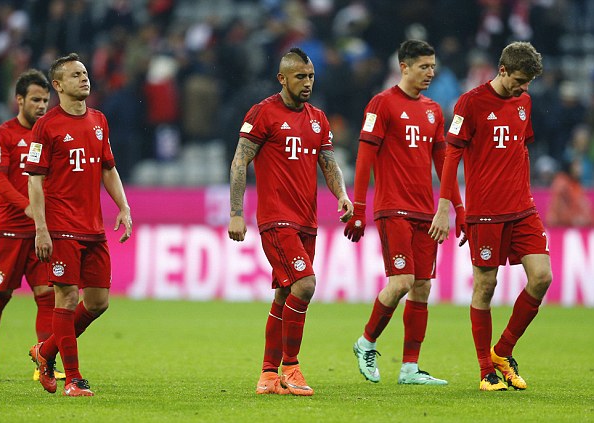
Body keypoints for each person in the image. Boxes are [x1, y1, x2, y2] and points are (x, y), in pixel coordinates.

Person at [228, 47, 353, 396]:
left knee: (285, 292)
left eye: (311, 76)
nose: (308, 82)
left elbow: (328, 163)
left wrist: (341, 194)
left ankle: (268, 376)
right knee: (306, 285)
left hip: (306, 221)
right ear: (282, 78)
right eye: (300, 76)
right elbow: (240, 163)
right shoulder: (263, 112)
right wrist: (236, 213)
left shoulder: (318, 118)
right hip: (276, 219)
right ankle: (291, 367)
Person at [429, 41, 552, 391]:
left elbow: (519, 147)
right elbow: (452, 156)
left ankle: (503, 351)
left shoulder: (524, 102)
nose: (523, 88)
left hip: (523, 208)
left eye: (528, 82)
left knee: (542, 277)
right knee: (486, 286)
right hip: (486, 212)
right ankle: (486, 371)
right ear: (501, 71)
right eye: (519, 80)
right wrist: (447, 206)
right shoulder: (471, 103)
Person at [344, 40, 464, 386]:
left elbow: (443, 162)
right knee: (402, 282)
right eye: (424, 66)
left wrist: (458, 207)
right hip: (392, 207)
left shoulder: (433, 110)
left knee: (422, 287)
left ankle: (410, 368)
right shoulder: (382, 104)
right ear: (405, 67)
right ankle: (365, 342)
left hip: (425, 210)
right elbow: (365, 156)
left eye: (433, 66)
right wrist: (359, 207)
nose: (431, 72)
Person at [25, 53, 132, 397]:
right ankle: (72, 378)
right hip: (59, 226)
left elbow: (108, 168)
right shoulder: (47, 125)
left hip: (93, 227)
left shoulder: (99, 120)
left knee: (99, 302)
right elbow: (35, 180)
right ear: (58, 85)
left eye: (84, 73)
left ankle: (45, 351)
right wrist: (41, 228)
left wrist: (124, 207)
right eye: (74, 75)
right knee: (67, 296)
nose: (84, 79)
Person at [0, 69, 66, 382]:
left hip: (40, 232)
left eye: (45, 100)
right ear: (19, 100)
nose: (42, 105)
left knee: (46, 296)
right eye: (36, 100)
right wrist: (26, 206)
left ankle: (44, 362)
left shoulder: (49, 134)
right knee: (0, 296)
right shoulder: (3, 134)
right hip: (9, 231)